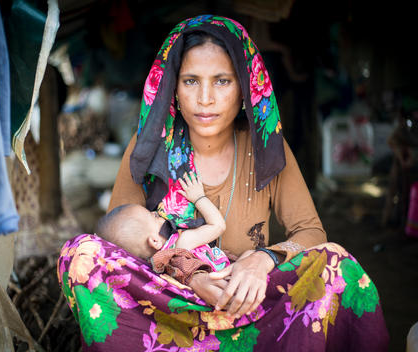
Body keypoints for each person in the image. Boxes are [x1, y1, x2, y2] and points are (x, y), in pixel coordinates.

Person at [58, 15, 389, 351]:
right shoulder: (149, 147)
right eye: (190, 81)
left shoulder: (266, 147)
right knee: (81, 254)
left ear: (245, 86)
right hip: (165, 319)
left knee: (338, 266)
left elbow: (312, 233)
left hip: (249, 311)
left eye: (221, 81)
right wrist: (191, 276)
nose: (205, 98)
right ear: (172, 86)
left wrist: (262, 260)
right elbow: (117, 249)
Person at [95, 171, 232, 276]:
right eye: (153, 216)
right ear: (154, 241)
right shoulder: (181, 243)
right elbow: (218, 226)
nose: (158, 213)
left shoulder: (155, 268)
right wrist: (198, 198)